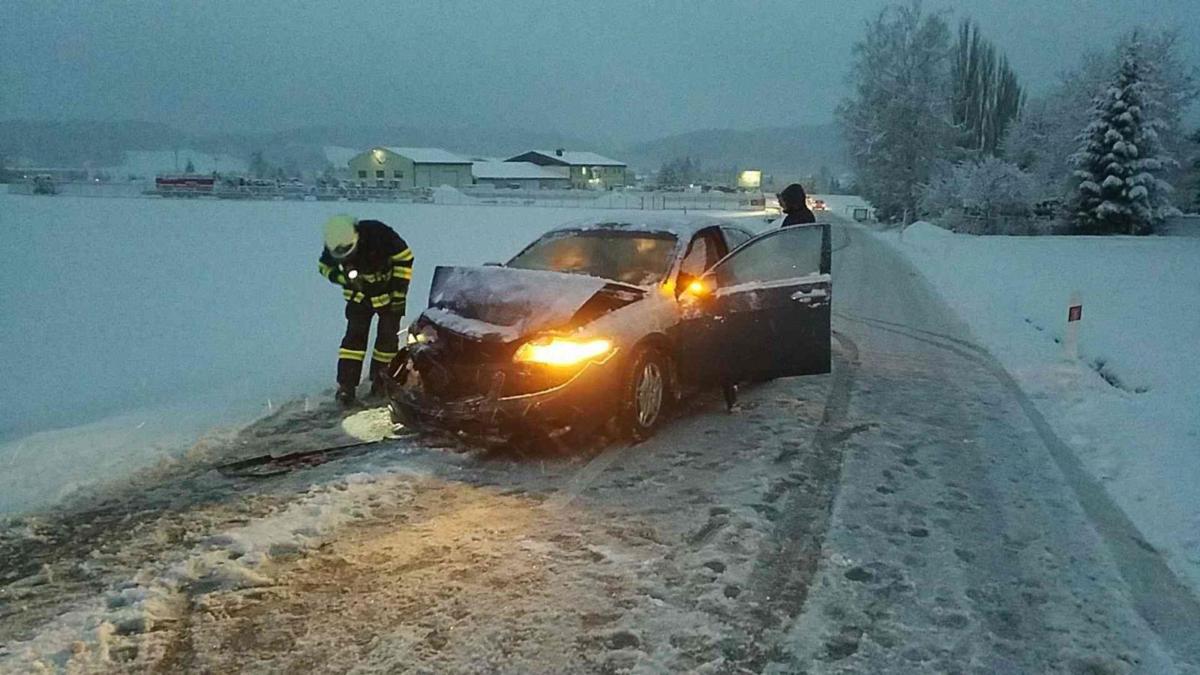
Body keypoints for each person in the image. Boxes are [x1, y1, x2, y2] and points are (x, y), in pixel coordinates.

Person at [318, 214, 414, 406]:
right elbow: (324, 267)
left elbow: (406, 258)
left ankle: (381, 381)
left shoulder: (379, 235)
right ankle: (346, 385)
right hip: (359, 297)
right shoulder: (335, 242)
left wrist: (398, 294)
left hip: (389, 295)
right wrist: (343, 278)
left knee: (387, 340)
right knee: (353, 341)